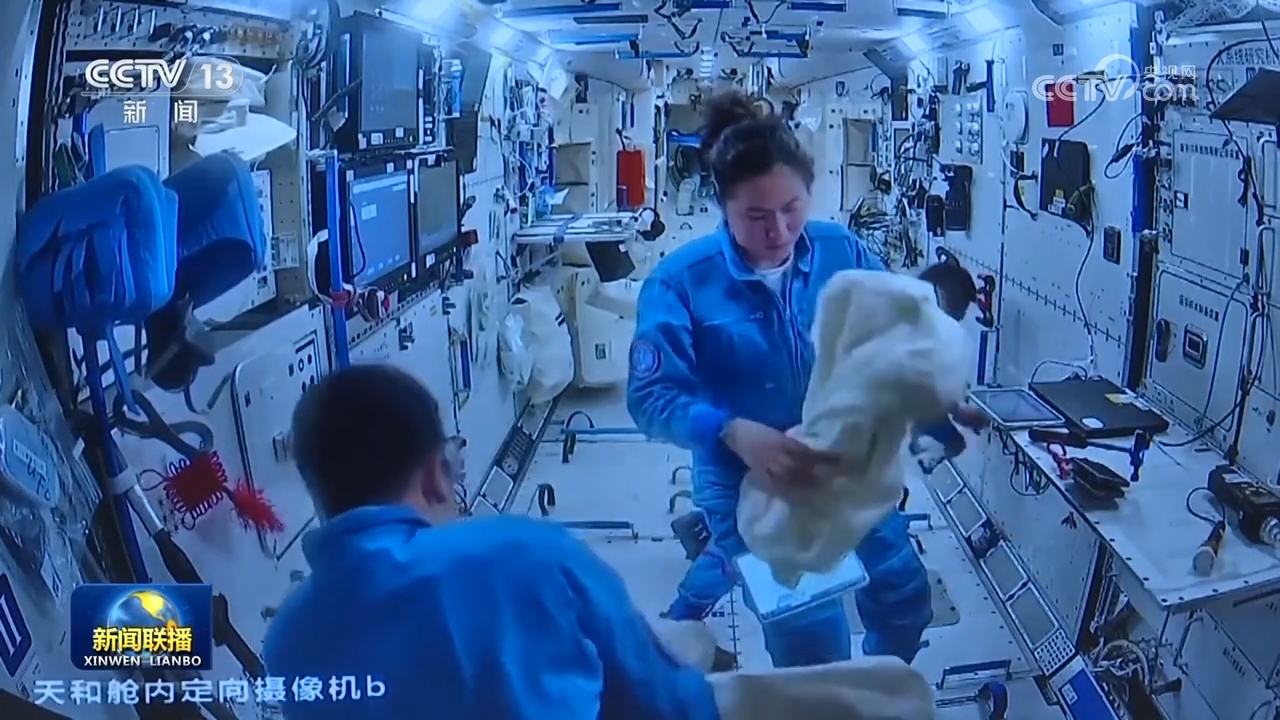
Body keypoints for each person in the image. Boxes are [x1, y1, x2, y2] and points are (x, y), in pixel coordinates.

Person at [627, 91, 986, 669]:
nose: (779, 231)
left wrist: (936, 402)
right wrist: (732, 431)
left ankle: (877, 686)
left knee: (905, 600)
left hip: (842, 461)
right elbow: (650, 396)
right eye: (756, 216)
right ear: (723, 205)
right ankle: (824, 695)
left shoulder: (843, 253)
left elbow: (894, 342)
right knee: (813, 638)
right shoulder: (682, 282)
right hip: (747, 479)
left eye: (791, 208)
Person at [262, 364, 718, 719]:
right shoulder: (528, 553)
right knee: (692, 644)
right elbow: (665, 705)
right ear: (436, 474)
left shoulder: (287, 639)